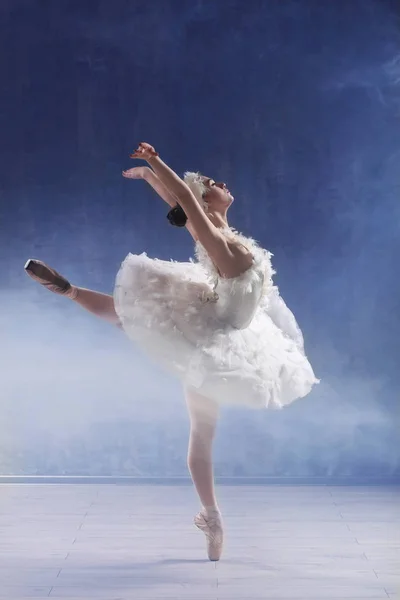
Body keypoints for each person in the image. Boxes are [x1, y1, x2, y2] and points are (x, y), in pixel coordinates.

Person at [24, 142, 319, 561]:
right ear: (202, 200)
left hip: (234, 323)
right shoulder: (214, 236)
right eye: (210, 184)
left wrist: (150, 177)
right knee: (195, 419)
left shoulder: (217, 227)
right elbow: (185, 199)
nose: (219, 182)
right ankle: (212, 516)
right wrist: (154, 162)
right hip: (214, 336)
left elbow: (183, 202)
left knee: (138, 323)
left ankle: (68, 290)